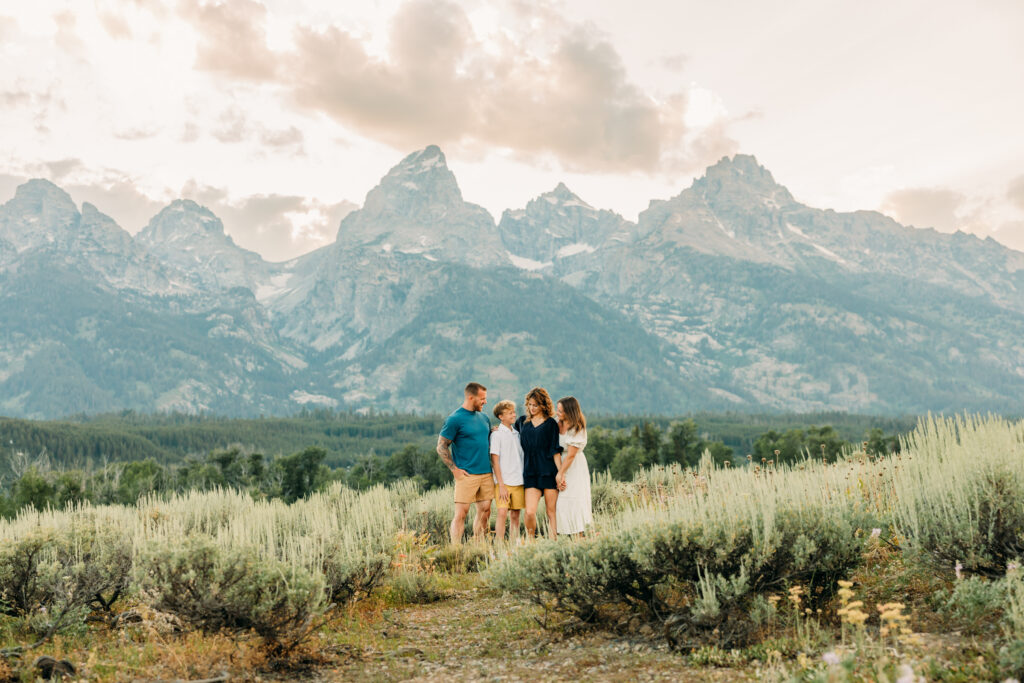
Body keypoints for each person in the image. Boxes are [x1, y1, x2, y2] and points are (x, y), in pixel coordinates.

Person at [437, 382, 493, 544]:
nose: (485, 402)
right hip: (466, 475)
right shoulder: (455, 419)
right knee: (461, 514)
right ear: (471, 397)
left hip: (486, 473)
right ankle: (455, 551)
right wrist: (454, 470)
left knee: (485, 512)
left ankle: (478, 546)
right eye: (482, 399)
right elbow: (441, 447)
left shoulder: (484, 418)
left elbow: (485, 439)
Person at [516, 387, 562, 539]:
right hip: (530, 472)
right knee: (529, 512)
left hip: (549, 471)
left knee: (551, 512)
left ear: (543, 405)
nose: (532, 408)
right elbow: (509, 434)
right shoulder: (522, 422)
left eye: (535, 405)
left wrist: (560, 474)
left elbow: (555, 450)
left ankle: (553, 543)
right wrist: (496, 430)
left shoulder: (551, 424)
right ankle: (531, 543)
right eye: (529, 404)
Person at [555, 396, 593, 536]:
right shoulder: (556, 424)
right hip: (560, 462)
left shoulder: (577, 427)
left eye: (561, 411)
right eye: (557, 410)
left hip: (574, 466)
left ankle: (579, 536)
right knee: (561, 503)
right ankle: (563, 536)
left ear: (570, 411)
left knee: (575, 500)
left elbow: (571, 455)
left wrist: (561, 473)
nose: (557, 413)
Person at [489, 400, 525, 543]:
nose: (513, 415)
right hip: (503, 482)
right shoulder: (497, 435)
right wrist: (501, 484)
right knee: (502, 513)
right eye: (509, 413)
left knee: (516, 515)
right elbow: (495, 460)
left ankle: (513, 545)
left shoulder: (517, 434)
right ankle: (499, 544)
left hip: (519, 481)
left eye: (514, 412)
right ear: (500, 416)